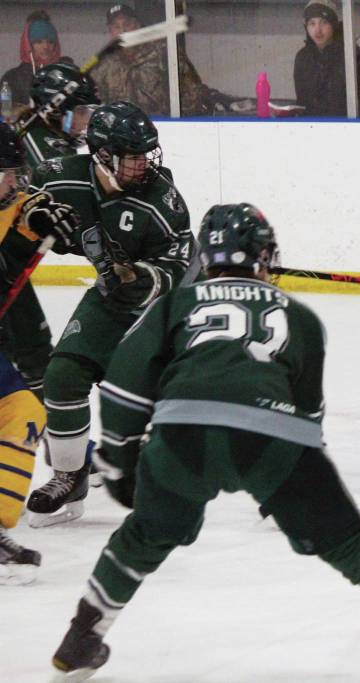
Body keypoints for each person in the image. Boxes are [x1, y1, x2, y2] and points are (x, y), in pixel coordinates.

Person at [47, 202, 360, 681]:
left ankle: (79, 642)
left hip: (183, 435)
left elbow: (123, 386)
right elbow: (309, 415)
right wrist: (290, 490)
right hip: (276, 439)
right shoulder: (299, 317)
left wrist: (122, 460)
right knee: (354, 544)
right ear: (264, 255)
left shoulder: (174, 305)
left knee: (143, 536)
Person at [24, 101, 199, 527]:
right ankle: (70, 474)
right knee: (64, 376)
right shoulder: (61, 177)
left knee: (159, 393)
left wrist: (143, 276)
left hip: (166, 306)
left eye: (147, 154)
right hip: (110, 297)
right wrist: (34, 214)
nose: (145, 165)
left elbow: (181, 266)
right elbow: (21, 198)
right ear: (103, 155)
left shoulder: (162, 200)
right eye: (134, 157)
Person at [0, 64, 100, 403]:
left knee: (30, 351)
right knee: (33, 354)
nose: (88, 121)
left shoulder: (38, 138)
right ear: (56, 110)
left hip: (9, 257)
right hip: (6, 258)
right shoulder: (46, 154)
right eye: (82, 112)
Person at [0, 122, 55, 585]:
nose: (15, 181)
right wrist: (25, 239)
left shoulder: (12, 202)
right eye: (8, 173)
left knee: (25, 410)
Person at [90, 3, 219, 117]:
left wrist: (178, 124)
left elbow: (192, 91)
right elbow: (96, 103)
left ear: (137, 25)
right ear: (110, 32)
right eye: (116, 27)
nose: (123, 30)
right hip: (121, 133)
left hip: (161, 127)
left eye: (127, 24)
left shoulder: (164, 52)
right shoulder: (104, 64)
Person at [293, 0, 360, 117]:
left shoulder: (354, 56)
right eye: (312, 23)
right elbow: (303, 101)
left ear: (334, 25)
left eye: (324, 22)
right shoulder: (302, 58)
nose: (317, 30)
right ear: (306, 26)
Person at [1, 10, 75, 110]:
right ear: (28, 45)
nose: (45, 46)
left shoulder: (66, 75)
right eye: (38, 42)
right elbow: (4, 114)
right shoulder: (12, 78)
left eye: (50, 42)